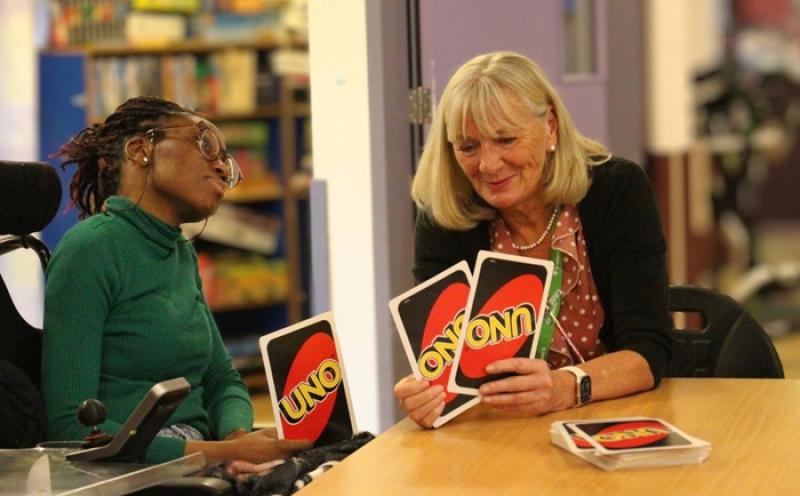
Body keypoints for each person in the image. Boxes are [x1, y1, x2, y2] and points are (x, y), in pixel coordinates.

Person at [393, 51, 672, 428]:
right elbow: (444, 369)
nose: (488, 165)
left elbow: (650, 351)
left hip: (619, 419)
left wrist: (564, 387)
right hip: (503, 432)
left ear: (551, 128)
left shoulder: (617, 190)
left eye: (505, 139)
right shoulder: (446, 216)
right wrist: (426, 398)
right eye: (468, 147)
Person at [42, 96, 311, 464]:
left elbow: (222, 379)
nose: (220, 166)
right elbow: (72, 431)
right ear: (140, 150)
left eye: (226, 162)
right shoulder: (90, 250)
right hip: (135, 473)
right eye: (206, 145)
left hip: (203, 457)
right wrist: (224, 453)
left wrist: (238, 443)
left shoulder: (179, 250)